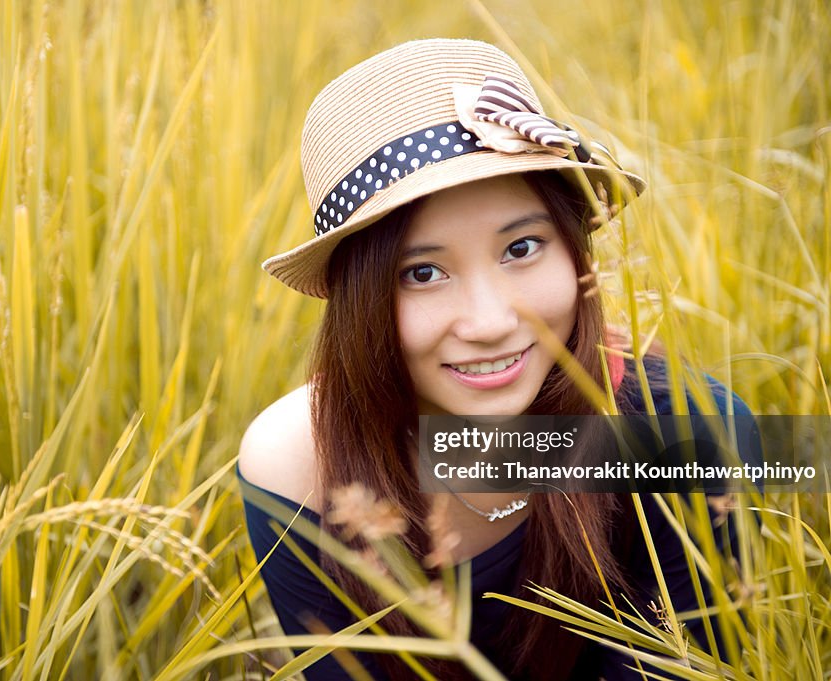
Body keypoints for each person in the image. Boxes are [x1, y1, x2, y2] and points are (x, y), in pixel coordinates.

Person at [238, 39, 761, 680]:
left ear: (574, 251)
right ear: (360, 305)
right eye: (423, 272)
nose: (491, 322)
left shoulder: (689, 433)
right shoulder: (299, 469)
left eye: (522, 248)